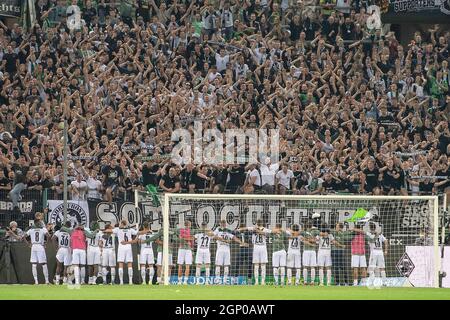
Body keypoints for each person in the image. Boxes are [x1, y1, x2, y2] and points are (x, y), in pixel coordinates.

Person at [103, 220, 145, 285]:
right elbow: (138, 233)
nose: (119, 224)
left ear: (122, 224)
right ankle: (130, 281)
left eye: (120, 223)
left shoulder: (118, 229)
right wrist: (146, 231)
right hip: (128, 247)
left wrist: (104, 230)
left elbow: (108, 230)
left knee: (120, 264)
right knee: (129, 264)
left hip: (121, 247)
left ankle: (121, 281)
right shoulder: (130, 229)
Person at [238, 219, 272, 285]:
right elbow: (271, 232)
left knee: (256, 265)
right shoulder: (265, 229)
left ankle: (257, 281)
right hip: (262, 248)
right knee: (262, 265)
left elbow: (245, 228)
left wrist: (238, 229)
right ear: (262, 223)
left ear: (256, 223)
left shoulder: (253, 228)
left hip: (256, 247)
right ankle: (262, 281)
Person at [213, 220, 247, 285]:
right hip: (220, 249)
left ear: (225, 224)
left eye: (224, 223)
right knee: (218, 265)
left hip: (226, 250)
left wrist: (241, 242)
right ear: (220, 223)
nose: (223, 224)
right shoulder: (218, 230)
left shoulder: (228, 230)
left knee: (226, 265)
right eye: (222, 223)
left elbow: (234, 238)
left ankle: (225, 280)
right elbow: (214, 236)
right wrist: (225, 240)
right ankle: (218, 280)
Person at [25, 219, 50, 285]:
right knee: (44, 264)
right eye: (40, 222)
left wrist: (28, 244)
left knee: (34, 264)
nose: (41, 223)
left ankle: (36, 282)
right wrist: (46, 244)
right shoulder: (43, 229)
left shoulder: (31, 229)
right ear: (38, 223)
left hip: (33, 246)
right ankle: (47, 281)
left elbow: (23, 237)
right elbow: (49, 236)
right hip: (40, 246)